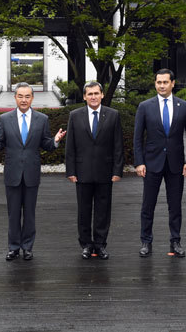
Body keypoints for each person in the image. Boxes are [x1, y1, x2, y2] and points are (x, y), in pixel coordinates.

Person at [0, 82, 66, 261]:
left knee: (29, 213)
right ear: (15, 98)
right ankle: (13, 247)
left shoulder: (42, 119)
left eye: (27, 96)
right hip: (12, 173)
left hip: (31, 174)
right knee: (13, 213)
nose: (24, 99)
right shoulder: (5, 119)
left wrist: (56, 140)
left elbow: (46, 144)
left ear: (32, 98)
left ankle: (27, 247)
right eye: (20, 96)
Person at [133, 68, 186, 258]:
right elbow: (137, 138)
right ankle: (146, 241)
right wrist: (139, 162)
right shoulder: (145, 106)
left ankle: (175, 241)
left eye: (165, 82)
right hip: (152, 163)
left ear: (173, 83)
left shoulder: (184, 106)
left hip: (176, 164)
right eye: (159, 82)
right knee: (148, 205)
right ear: (155, 84)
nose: (162, 85)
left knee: (175, 205)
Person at [65, 82, 124, 260]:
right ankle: (86, 245)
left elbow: (118, 145)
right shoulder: (75, 116)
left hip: (105, 171)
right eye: (89, 94)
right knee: (84, 211)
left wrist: (117, 170)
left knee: (103, 210)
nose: (93, 97)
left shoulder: (113, 115)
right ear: (84, 96)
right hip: (82, 172)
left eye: (96, 93)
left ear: (102, 95)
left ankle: (100, 245)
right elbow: (70, 146)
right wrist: (71, 170)